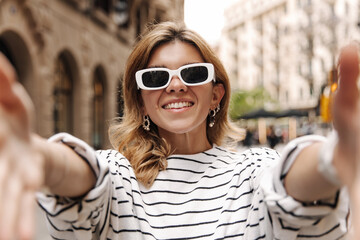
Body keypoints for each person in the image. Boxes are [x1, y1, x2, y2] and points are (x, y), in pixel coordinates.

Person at [0, 21, 359, 240]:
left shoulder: (254, 169)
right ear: (140, 100)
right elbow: (78, 173)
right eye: (156, 77)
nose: (175, 86)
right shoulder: (118, 174)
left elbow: (296, 180)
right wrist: (41, 156)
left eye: (193, 74)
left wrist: (334, 156)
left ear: (216, 94)